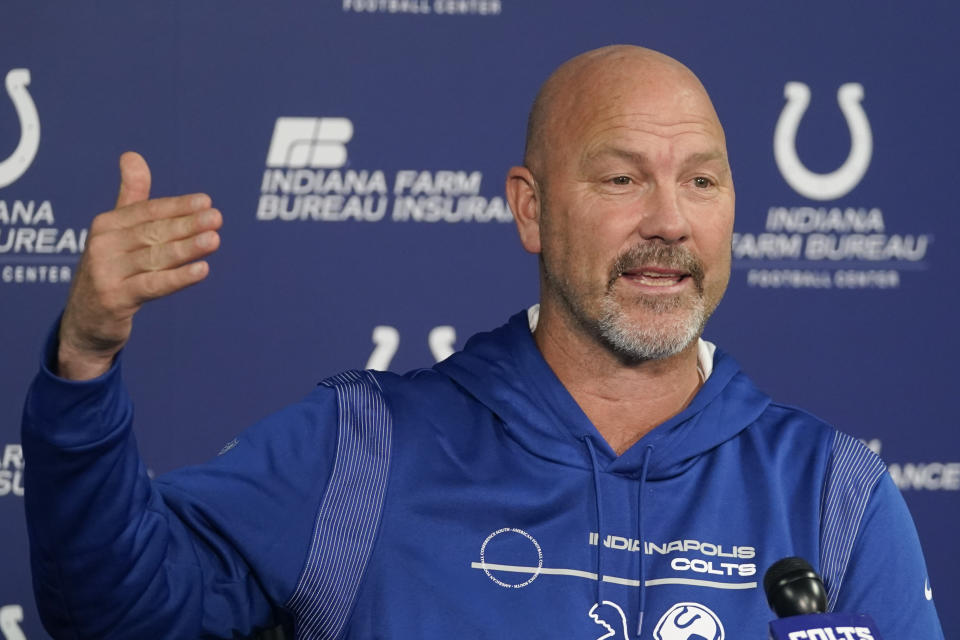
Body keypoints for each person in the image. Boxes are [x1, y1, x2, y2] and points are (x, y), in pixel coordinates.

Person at [22, 45, 943, 639]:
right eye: (623, 177)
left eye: (702, 181)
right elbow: (113, 612)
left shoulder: (834, 497)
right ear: (531, 209)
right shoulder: (362, 452)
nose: (670, 220)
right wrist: (86, 362)